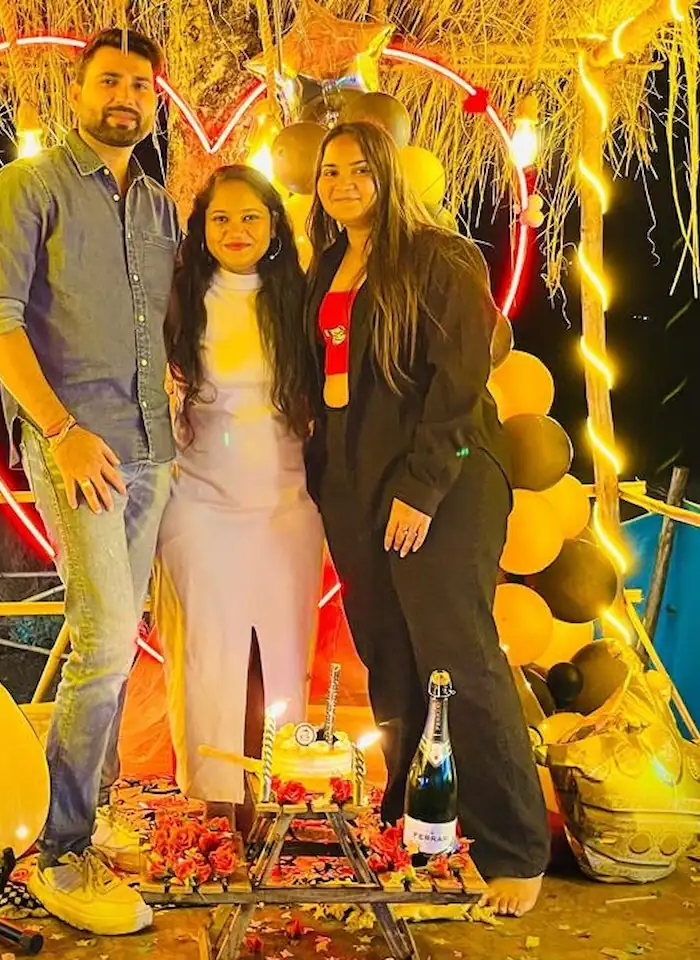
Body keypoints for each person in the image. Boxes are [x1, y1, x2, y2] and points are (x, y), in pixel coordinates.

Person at [302, 121, 549, 917]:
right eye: (330, 171)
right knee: (391, 658)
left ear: (389, 176)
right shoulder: (326, 266)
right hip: (355, 485)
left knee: (457, 652)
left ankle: (514, 846)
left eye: (360, 169)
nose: (343, 183)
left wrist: (423, 486)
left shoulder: (441, 258)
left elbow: (457, 383)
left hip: (443, 480)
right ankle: (419, 823)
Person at [0, 27, 177, 936]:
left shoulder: (160, 208)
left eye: (141, 86)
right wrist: (59, 431)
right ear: (78, 89)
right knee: (104, 639)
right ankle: (59, 846)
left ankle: (100, 805)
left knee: (120, 639)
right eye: (110, 81)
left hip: (154, 448)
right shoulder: (29, 187)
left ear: (154, 101)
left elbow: (165, 322)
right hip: (78, 450)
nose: (126, 97)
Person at [155, 166, 323, 826]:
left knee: (281, 661)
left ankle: (285, 797)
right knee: (210, 660)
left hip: (287, 508)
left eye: (251, 217)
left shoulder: (302, 299)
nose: (236, 230)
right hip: (201, 506)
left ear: (275, 226)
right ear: (201, 228)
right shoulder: (178, 300)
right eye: (220, 218)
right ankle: (218, 807)